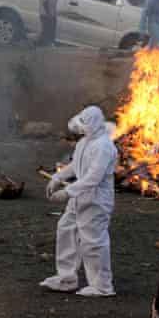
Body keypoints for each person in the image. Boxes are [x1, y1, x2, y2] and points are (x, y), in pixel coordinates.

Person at [41, 106, 118, 297]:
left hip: (96, 199)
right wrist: (57, 178)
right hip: (80, 197)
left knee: (93, 241)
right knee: (66, 229)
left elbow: (94, 177)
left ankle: (102, 286)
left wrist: (67, 192)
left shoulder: (104, 146)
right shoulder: (84, 142)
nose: (81, 127)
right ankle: (67, 278)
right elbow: (76, 166)